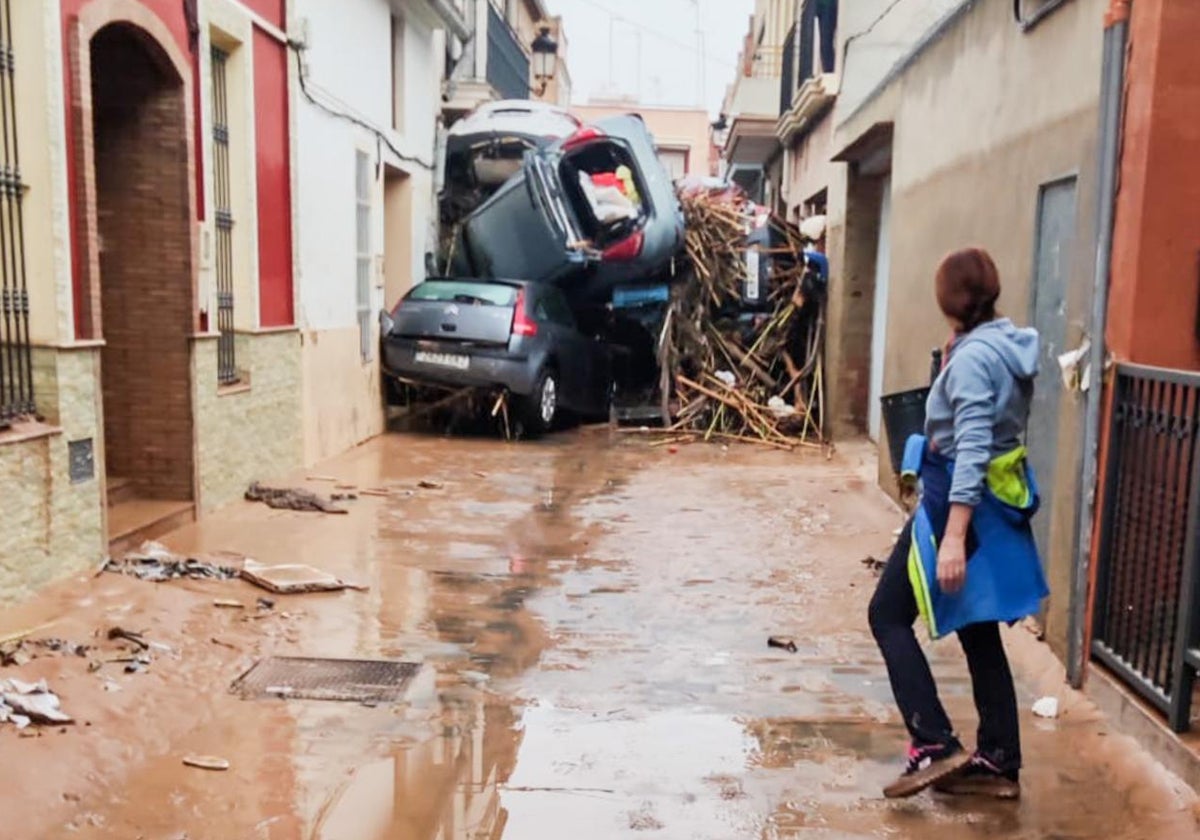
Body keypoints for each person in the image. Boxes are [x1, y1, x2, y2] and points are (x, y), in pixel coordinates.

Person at [868, 247, 1047, 800]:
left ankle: (933, 741)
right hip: (985, 502)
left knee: (887, 614)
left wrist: (952, 537)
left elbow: (972, 446)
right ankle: (998, 760)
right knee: (977, 627)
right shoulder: (1001, 346)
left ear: (949, 300)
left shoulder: (973, 360)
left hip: (960, 506)